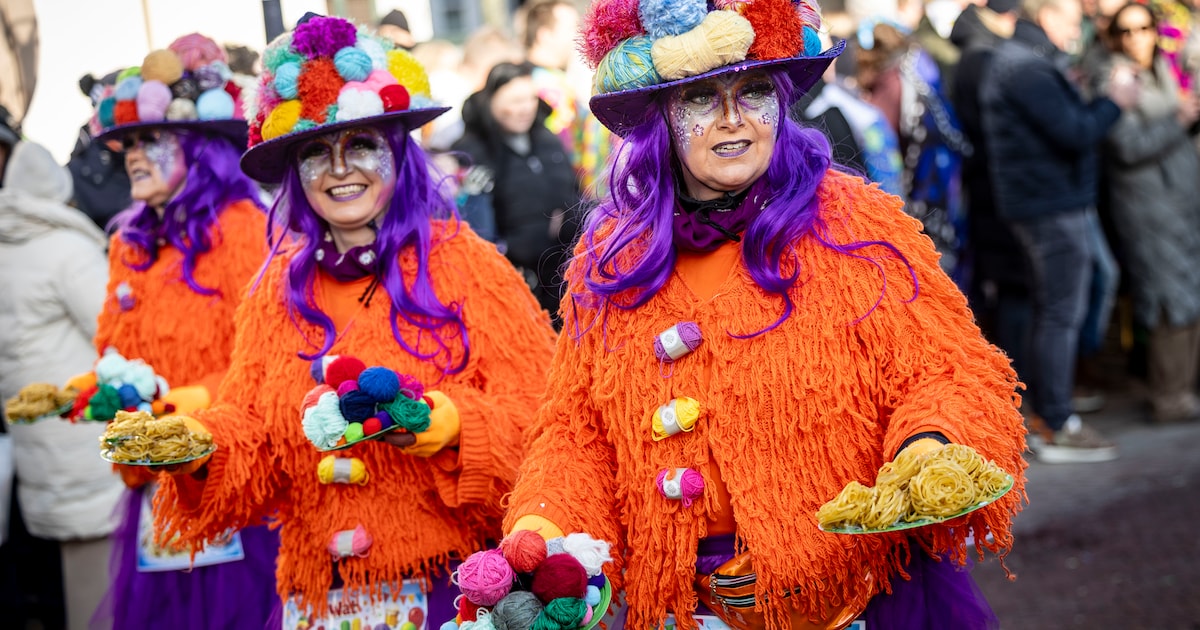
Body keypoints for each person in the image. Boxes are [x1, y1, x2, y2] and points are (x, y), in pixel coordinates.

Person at [505, 2, 1026, 628]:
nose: (733, 119)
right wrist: (544, 525)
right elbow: (575, 429)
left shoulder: (856, 223)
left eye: (753, 91)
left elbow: (949, 371)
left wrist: (927, 446)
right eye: (699, 97)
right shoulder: (610, 257)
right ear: (659, 121)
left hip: (859, 599)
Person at [133, 15, 556, 627]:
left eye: (360, 145)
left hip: (447, 586)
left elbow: (545, 422)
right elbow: (252, 429)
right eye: (316, 153)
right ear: (296, 177)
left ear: (397, 154)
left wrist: (453, 425)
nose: (339, 170)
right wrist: (199, 447)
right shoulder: (277, 285)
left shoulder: (465, 262)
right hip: (316, 594)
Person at [85, 33, 279, 629]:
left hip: (233, 479)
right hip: (153, 486)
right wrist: (103, 393)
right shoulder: (129, 240)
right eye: (128, 144)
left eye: (151, 140)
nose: (134, 156)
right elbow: (114, 349)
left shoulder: (246, 228)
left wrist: (187, 409)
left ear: (196, 147)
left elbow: (267, 363)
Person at [979, 0, 1138, 462]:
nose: (1081, 26)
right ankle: (1057, 422)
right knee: (1060, 312)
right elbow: (1075, 132)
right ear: (1047, 16)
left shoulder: (1021, 62)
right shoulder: (1025, 67)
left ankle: (1050, 412)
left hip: (1045, 203)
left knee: (1052, 308)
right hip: (1049, 207)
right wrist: (1114, 102)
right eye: (1072, 17)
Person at [0, 132, 122, 630]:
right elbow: (114, 329)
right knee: (103, 598)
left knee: (76, 585)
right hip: (84, 445)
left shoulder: (7, 249)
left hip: (40, 450)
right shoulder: (68, 248)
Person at [1096, 2, 1200, 422]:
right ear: (1115, 36)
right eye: (1126, 31)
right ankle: (1169, 396)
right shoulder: (1115, 77)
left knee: (1189, 294)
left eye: (1144, 28)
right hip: (1147, 207)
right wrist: (1178, 118)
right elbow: (1127, 146)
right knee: (1166, 300)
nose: (1136, 37)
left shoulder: (1163, 69)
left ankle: (1183, 390)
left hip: (1181, 202)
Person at [452, 61, 582, 320]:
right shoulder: (472, 151)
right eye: (513, 100)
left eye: (529, 99)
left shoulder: (547, 138)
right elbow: (471, 222)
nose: (524, 108)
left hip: (562, 273)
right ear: (491, 102)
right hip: (511, 280)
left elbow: (573, 190)